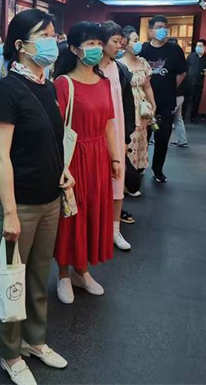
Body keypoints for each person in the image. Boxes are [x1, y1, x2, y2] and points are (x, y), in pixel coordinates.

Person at [0, 9, 73, 385]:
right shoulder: (7, 90)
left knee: (39, 275)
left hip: (49, 197)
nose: (53, 41)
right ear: (21, 44)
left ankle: (34, 340)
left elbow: (52, 139)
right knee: (11, 280)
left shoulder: (47, 86)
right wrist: (9, 212)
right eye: (45, 35)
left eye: (54, 34)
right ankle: (10, 353)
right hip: (18, 202)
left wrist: (63, 169)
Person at [52, 21, 120, 304]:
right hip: (73, 158)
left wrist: (115, 157)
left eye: (99, 43)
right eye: (90, 43)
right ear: (74, 49)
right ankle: (64, 274)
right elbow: (55, 129)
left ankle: (82, 271)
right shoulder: (63, 83)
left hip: (98, 156)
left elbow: (108, 124)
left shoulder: (104, 82)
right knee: (71, 216)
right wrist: (61, 166)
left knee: (92, 212)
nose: (97, 48)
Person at [99, 21, 135, 249]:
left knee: (117, 180)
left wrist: (126, 138)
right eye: (115, 42)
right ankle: (98, 228)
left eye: (121, 42)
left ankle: (114, 229)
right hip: (95, 132)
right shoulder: (89, 69)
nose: (119, 46)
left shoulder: (120, 70)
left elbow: (128, 106)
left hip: (118, 128)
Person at [141, 15, 187, 183]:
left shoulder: (174, 50)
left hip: (166, 101)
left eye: (165, 27)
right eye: (159, 27)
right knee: (142, 137)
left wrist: (169, 86)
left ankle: (158, 170)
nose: (163, 30)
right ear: (151, 31)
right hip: (144, 103)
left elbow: (182, 72)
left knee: (162, 138)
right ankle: (140, 166)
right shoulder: (143, 50)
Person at [121, 25, 156, 194]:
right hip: (128, 105)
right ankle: (127, 180)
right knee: (130, 140)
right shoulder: (120, 64)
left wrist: (153, 104)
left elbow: (147, 86)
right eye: (134, 40)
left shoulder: (142, 62)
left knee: (142, 138)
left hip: (142, 107)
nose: (138, 43)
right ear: (125, 43)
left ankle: (136, 174)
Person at [183, 39, 206, 125]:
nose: (198, 47)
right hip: (188, 82)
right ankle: (183, 117)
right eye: (197, 46)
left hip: (199, 82)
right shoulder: (191, 56)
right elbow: (186, 67)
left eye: (200, 46)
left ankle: (193, 118)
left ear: (204, 47)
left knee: (196, 101)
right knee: (185, 101)